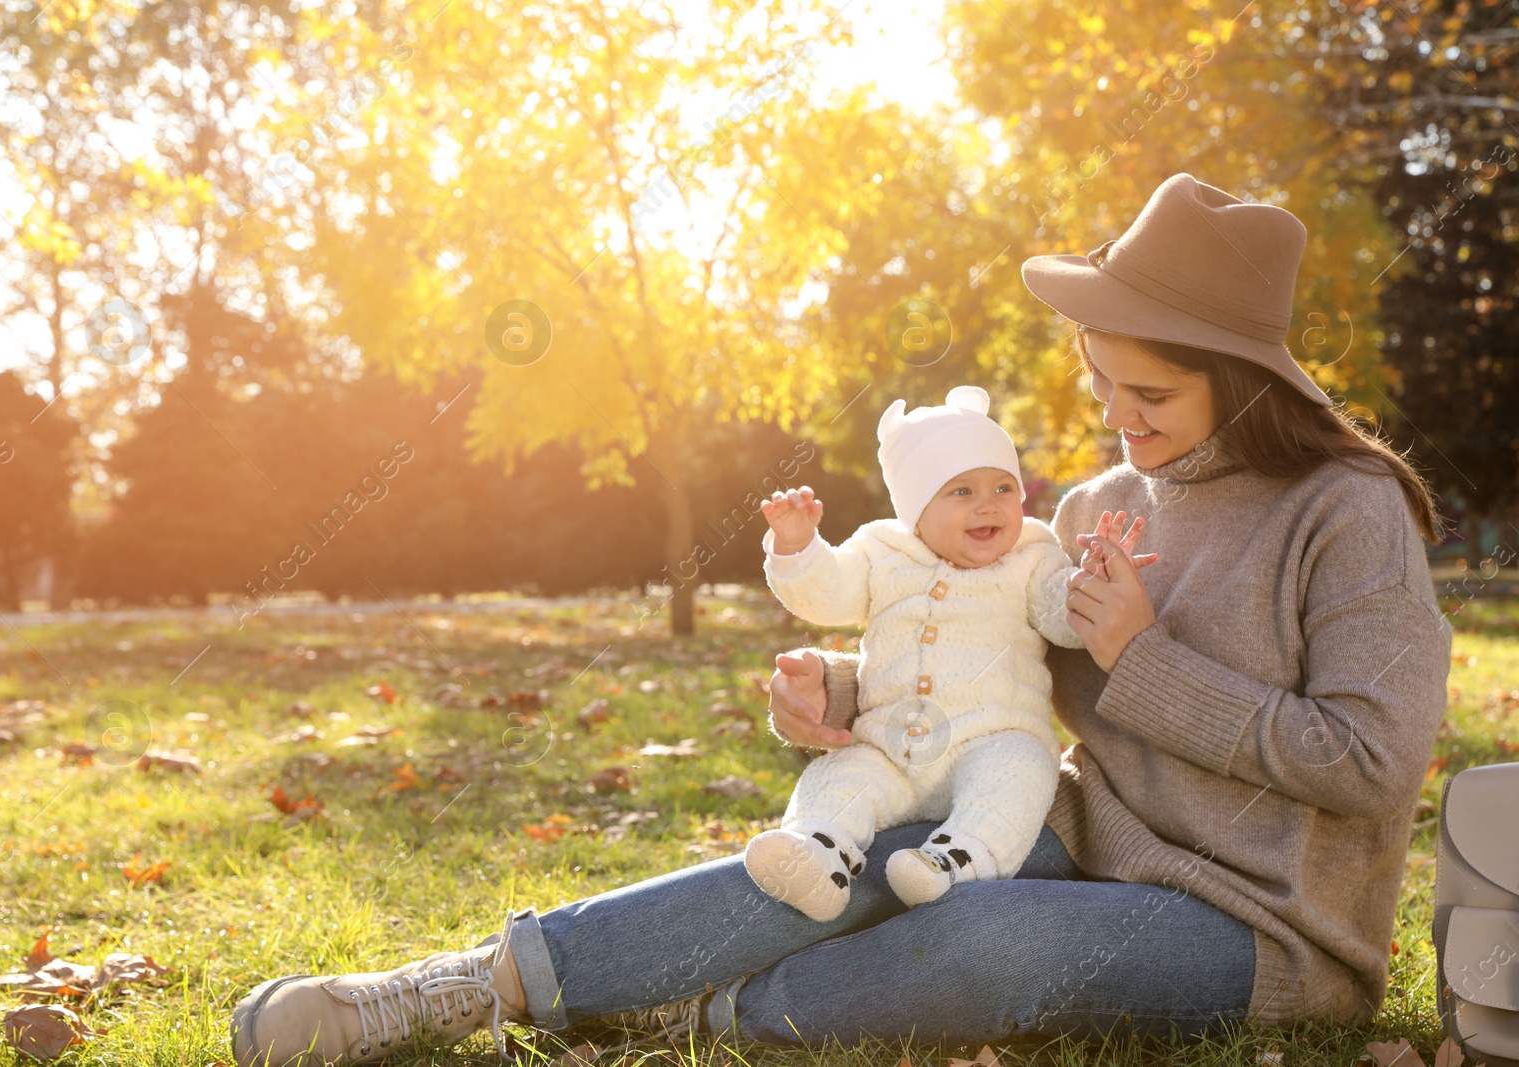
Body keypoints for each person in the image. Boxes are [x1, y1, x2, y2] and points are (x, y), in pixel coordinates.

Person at [230, 172, 1452, 1067]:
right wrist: (847, 694)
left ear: (1240, 379)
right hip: (1078, 830)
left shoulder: (1347, 511)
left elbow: (1368, 762)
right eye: (1099, 385)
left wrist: (1140, 655)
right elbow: (1000, 660)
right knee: (836, 859)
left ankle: (696, 1007)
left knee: (986, 939)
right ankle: (446, 989)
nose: (1117, 416)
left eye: (1149, 392)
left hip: (1264, 924)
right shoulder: (1095, 503)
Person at [746, 384, 1154, 920]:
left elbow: (1062, 619)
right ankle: (817, 854)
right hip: (889, 743)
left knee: (1021, 774)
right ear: (915, 511)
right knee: (838, 777)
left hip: (990, 737)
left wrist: (1093, 584)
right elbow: (826, 594)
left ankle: (955, 861)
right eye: (960, 491)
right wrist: (798, 548)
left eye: (1003, 487)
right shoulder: (882, 551)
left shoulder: (1032, 556)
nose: (989, 504)